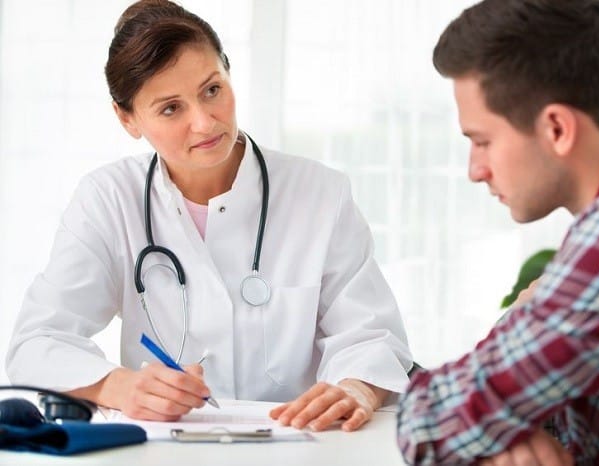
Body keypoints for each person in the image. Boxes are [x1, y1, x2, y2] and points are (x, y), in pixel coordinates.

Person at [5, 0, 412, 432]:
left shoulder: (320, 193)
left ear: (228, 73)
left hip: (296, 442)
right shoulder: (108, 199)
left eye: (212, 90)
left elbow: (371, 336)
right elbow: (37, 342)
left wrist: (357, 388)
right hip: (166, 449)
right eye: (170, 108)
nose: (205, 122)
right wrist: (119, 387)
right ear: (127, 118)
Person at [397, 0, 599, 464]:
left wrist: (494, 419)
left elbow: (429, 418)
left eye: (482, 141)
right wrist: (513, 428)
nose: (475, 170)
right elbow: (526, 391)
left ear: (557, 127)